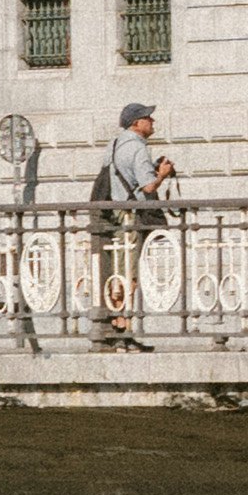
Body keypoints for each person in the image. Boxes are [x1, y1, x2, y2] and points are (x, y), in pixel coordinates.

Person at [90, 102, 173, 342]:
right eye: (148, 118)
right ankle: (121, 327)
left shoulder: (114, 144)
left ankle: (118, 324)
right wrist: (162, 174)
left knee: (117, 269)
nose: (153, 122)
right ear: (137, 123)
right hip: (130, 215)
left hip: (113, 212)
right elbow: (148, 186)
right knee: (130, 272)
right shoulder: (137, 148)